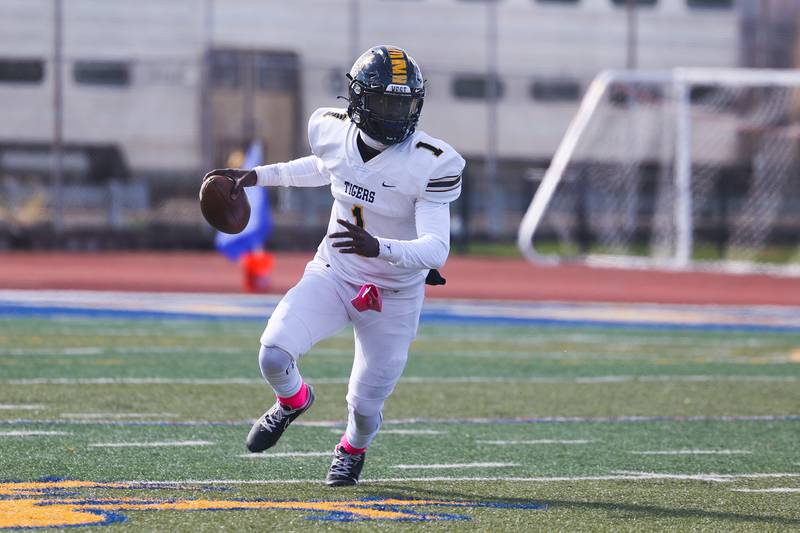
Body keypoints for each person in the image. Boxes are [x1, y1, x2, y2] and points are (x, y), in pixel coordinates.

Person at [204, 45, 464, 486]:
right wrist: (256, 176)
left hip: (394, 294)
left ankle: (351, 449)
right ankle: (293, 401)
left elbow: (436, 250)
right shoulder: (331, 130)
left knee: (364, 406)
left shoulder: (431, 162)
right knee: (273, 353)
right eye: (383, 101)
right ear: (359, 100)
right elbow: (325, 167)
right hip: (335, 273)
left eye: (402, 103)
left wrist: (377, 246)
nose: (394, 114)